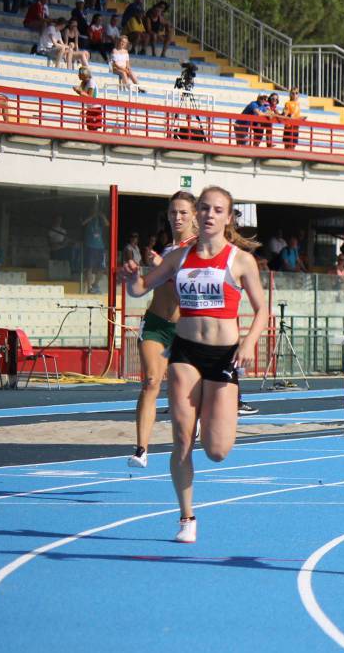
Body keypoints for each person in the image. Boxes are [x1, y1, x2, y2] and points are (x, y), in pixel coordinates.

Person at [121, 186, 269, 542]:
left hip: (223, 356)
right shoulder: (179, 256)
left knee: (217, 451)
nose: (209, 215)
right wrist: (130, 280)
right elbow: (140, 289)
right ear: (196, 213)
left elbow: (262, 309)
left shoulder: (240, 260)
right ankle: (186, 518)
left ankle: (208, 417)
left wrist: (249, 341)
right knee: (181, 441)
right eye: (204, 208)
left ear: (228, 217)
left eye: (218, 210)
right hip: (185, 352)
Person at [126, 192, 197, 468]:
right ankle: (141, 449)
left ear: (193, 215)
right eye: (172, 213)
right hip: (156, 323)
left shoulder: (200, 250)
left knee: (183, 390)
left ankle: (197, 418)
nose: (176, 218)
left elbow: (190, 293)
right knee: (151, 382)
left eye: (182, 212)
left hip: (184, 328)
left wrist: (166, 272)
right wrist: (136, 276)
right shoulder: (167, 251)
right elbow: (144, 287)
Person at [81, 202, 108, 293]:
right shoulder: (88, 217)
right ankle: (89, 288)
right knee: (89, 267)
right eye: (94, 208)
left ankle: (95, 284)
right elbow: (83, 223)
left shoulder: (100, 219)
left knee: (102, 268)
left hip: (100, 247)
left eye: (97, 208)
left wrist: (102, 215)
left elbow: (108, 224)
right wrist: (92, 216)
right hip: (90, 246)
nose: (96, 210)